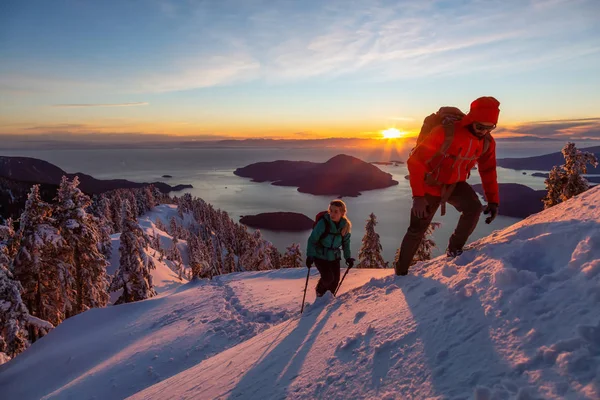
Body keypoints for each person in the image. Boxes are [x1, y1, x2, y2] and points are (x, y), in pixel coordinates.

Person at [394, 96, 501, 276]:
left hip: (454, 185)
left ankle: (454, 251)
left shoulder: (487, 142)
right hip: (429, 186)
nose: (484, 131)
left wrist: (493, 201)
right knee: (416, 230)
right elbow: (415, 162)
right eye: (480, 126)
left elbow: (488, 170)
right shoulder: (444, 132)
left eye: (490, 127)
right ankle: (401, 272)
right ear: (471, 119)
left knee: (473, 208)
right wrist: (418, 196)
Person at [306, 199, 355, 297]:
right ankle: (319, 292)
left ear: (342, 213)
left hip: (334, 257)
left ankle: (328, 299)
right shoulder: (323, 223)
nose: (332, 214)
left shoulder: (345, 226)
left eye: (336, 211)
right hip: (320, 255)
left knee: (335, 281)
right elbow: (312, 239)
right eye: (331, 210)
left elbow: (346, 243)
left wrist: (348, 257)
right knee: (328, 278)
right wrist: (310, 256)